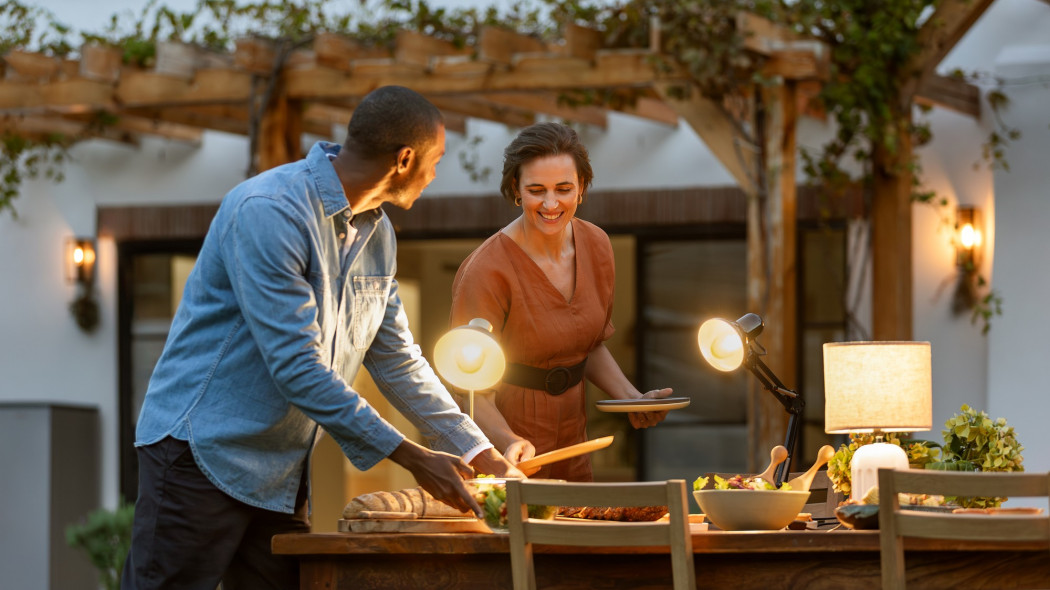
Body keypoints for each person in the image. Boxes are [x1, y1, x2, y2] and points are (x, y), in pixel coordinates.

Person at [122, 86, 522, 590]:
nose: (436, 175)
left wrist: (476, 451)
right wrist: (414, 457)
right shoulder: (269, 210)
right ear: (404, 159)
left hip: (278, 472)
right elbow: (298, 369)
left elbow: (399, 359)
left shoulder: (378, 233)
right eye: (435, 161)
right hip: (199, 455)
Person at [449, 122, 673, 482]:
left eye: (563, 189)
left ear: (581, 188)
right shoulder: (487, 269)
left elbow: (588, 343)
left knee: (577, 532)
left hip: (573, 434)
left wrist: (632, 398)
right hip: (508, 443)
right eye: (536, 190)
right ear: (515, 190)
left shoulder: (597, 245)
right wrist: (507, 443)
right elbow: (468, 391)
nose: (551, 204)